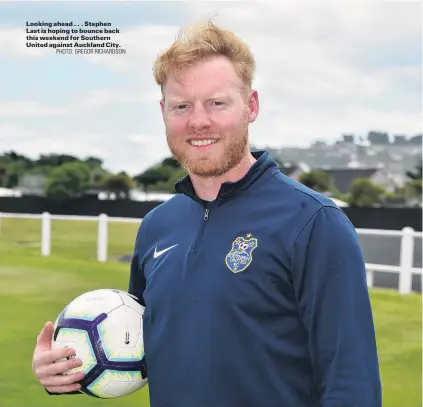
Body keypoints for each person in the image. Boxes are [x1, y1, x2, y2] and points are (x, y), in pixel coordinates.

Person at [32, 20, 382, 407]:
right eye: (182, 105)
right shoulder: (157, 227)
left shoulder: (313, 222)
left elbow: (352, 383)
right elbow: (133, 348)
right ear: (164, 111)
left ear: (251, 106)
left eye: (217, 103)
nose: (198, 121)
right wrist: (65, 369)